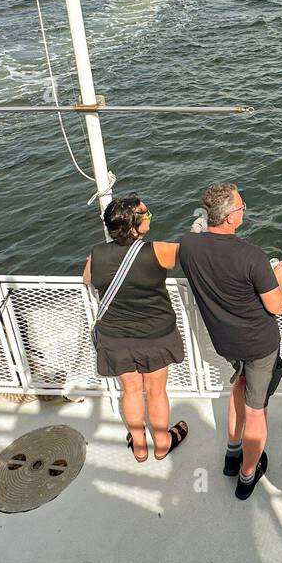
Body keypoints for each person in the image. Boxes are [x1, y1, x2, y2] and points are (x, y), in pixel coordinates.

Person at [177, 182, 282, 500]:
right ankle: (247, 475)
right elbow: (276, 305)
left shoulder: (188, 246)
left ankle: (231, 454)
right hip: (258, 345)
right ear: (229, 218)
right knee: (256, 411)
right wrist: (277, 279)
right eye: (241, 207)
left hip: (226, 343)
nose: (244, 209)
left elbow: (195, 231)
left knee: (238, 386)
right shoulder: (251, 257)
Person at [82, 195, 188, 463]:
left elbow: (87, 279)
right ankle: (162, 443)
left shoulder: (96, 254)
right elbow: (191, 253)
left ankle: (139, 447)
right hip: (156, 335)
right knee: (155, 392)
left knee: (130, 391)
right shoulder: (158, 250)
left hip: (115, 337)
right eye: (146, 214)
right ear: (134, 225)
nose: (150, 216)